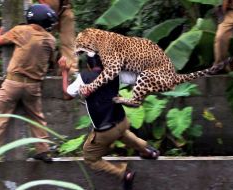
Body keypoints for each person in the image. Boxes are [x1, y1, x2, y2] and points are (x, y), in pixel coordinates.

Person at [58, 54, 160, 190]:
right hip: (122, 121)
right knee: (122, 133)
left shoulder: (84, 78)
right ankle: (147, 151)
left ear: (88, 65)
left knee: (90, 157)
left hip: (105, 131)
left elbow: (67, 95)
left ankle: (124, 174)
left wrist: (64, 71)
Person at [0, 4, 58, 163]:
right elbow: (52, 62)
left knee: (1, 117)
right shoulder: (51, 40)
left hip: (13, 83)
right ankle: (43, 149)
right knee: (37, 118)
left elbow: (0, 41)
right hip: (33, 87)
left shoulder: (21, 30)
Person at [38, 0, 78, 75]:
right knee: (43, 41)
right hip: (46, 11)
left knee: (68, 42)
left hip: (64, 9)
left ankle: (70, 70)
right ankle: (43, 67)